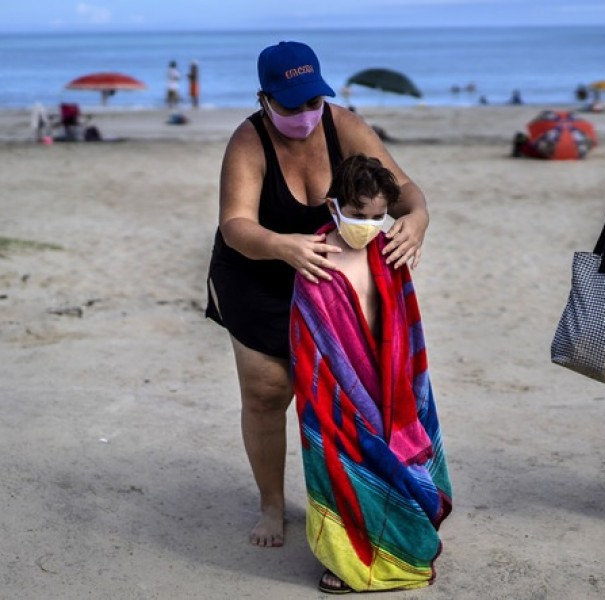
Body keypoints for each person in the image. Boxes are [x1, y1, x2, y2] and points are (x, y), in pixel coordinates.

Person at [204, 40, 430, 549]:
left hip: (329, 277)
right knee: (267, 392)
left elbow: (406, 189)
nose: (306, 114)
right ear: (265, 99)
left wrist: (418, 220)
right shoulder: (248, 141)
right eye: (292, 105)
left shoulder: (342, 124)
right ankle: (270, 503)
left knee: (345, 395)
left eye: (313, 101)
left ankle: (353, 498)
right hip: (257, 273)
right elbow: (235, 224)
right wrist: (281, 246)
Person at [290, 154, 451, 594]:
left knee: (400, 464)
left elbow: (405, 320)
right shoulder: (315, 261)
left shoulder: (388, 250)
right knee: (342, 468)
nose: (369, 224)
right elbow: (309, 343)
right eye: (359, 215)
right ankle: (346, 560)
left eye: (378, 216)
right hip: (336, 396)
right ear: (333, 207)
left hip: (390, 383)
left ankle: (398, 548)